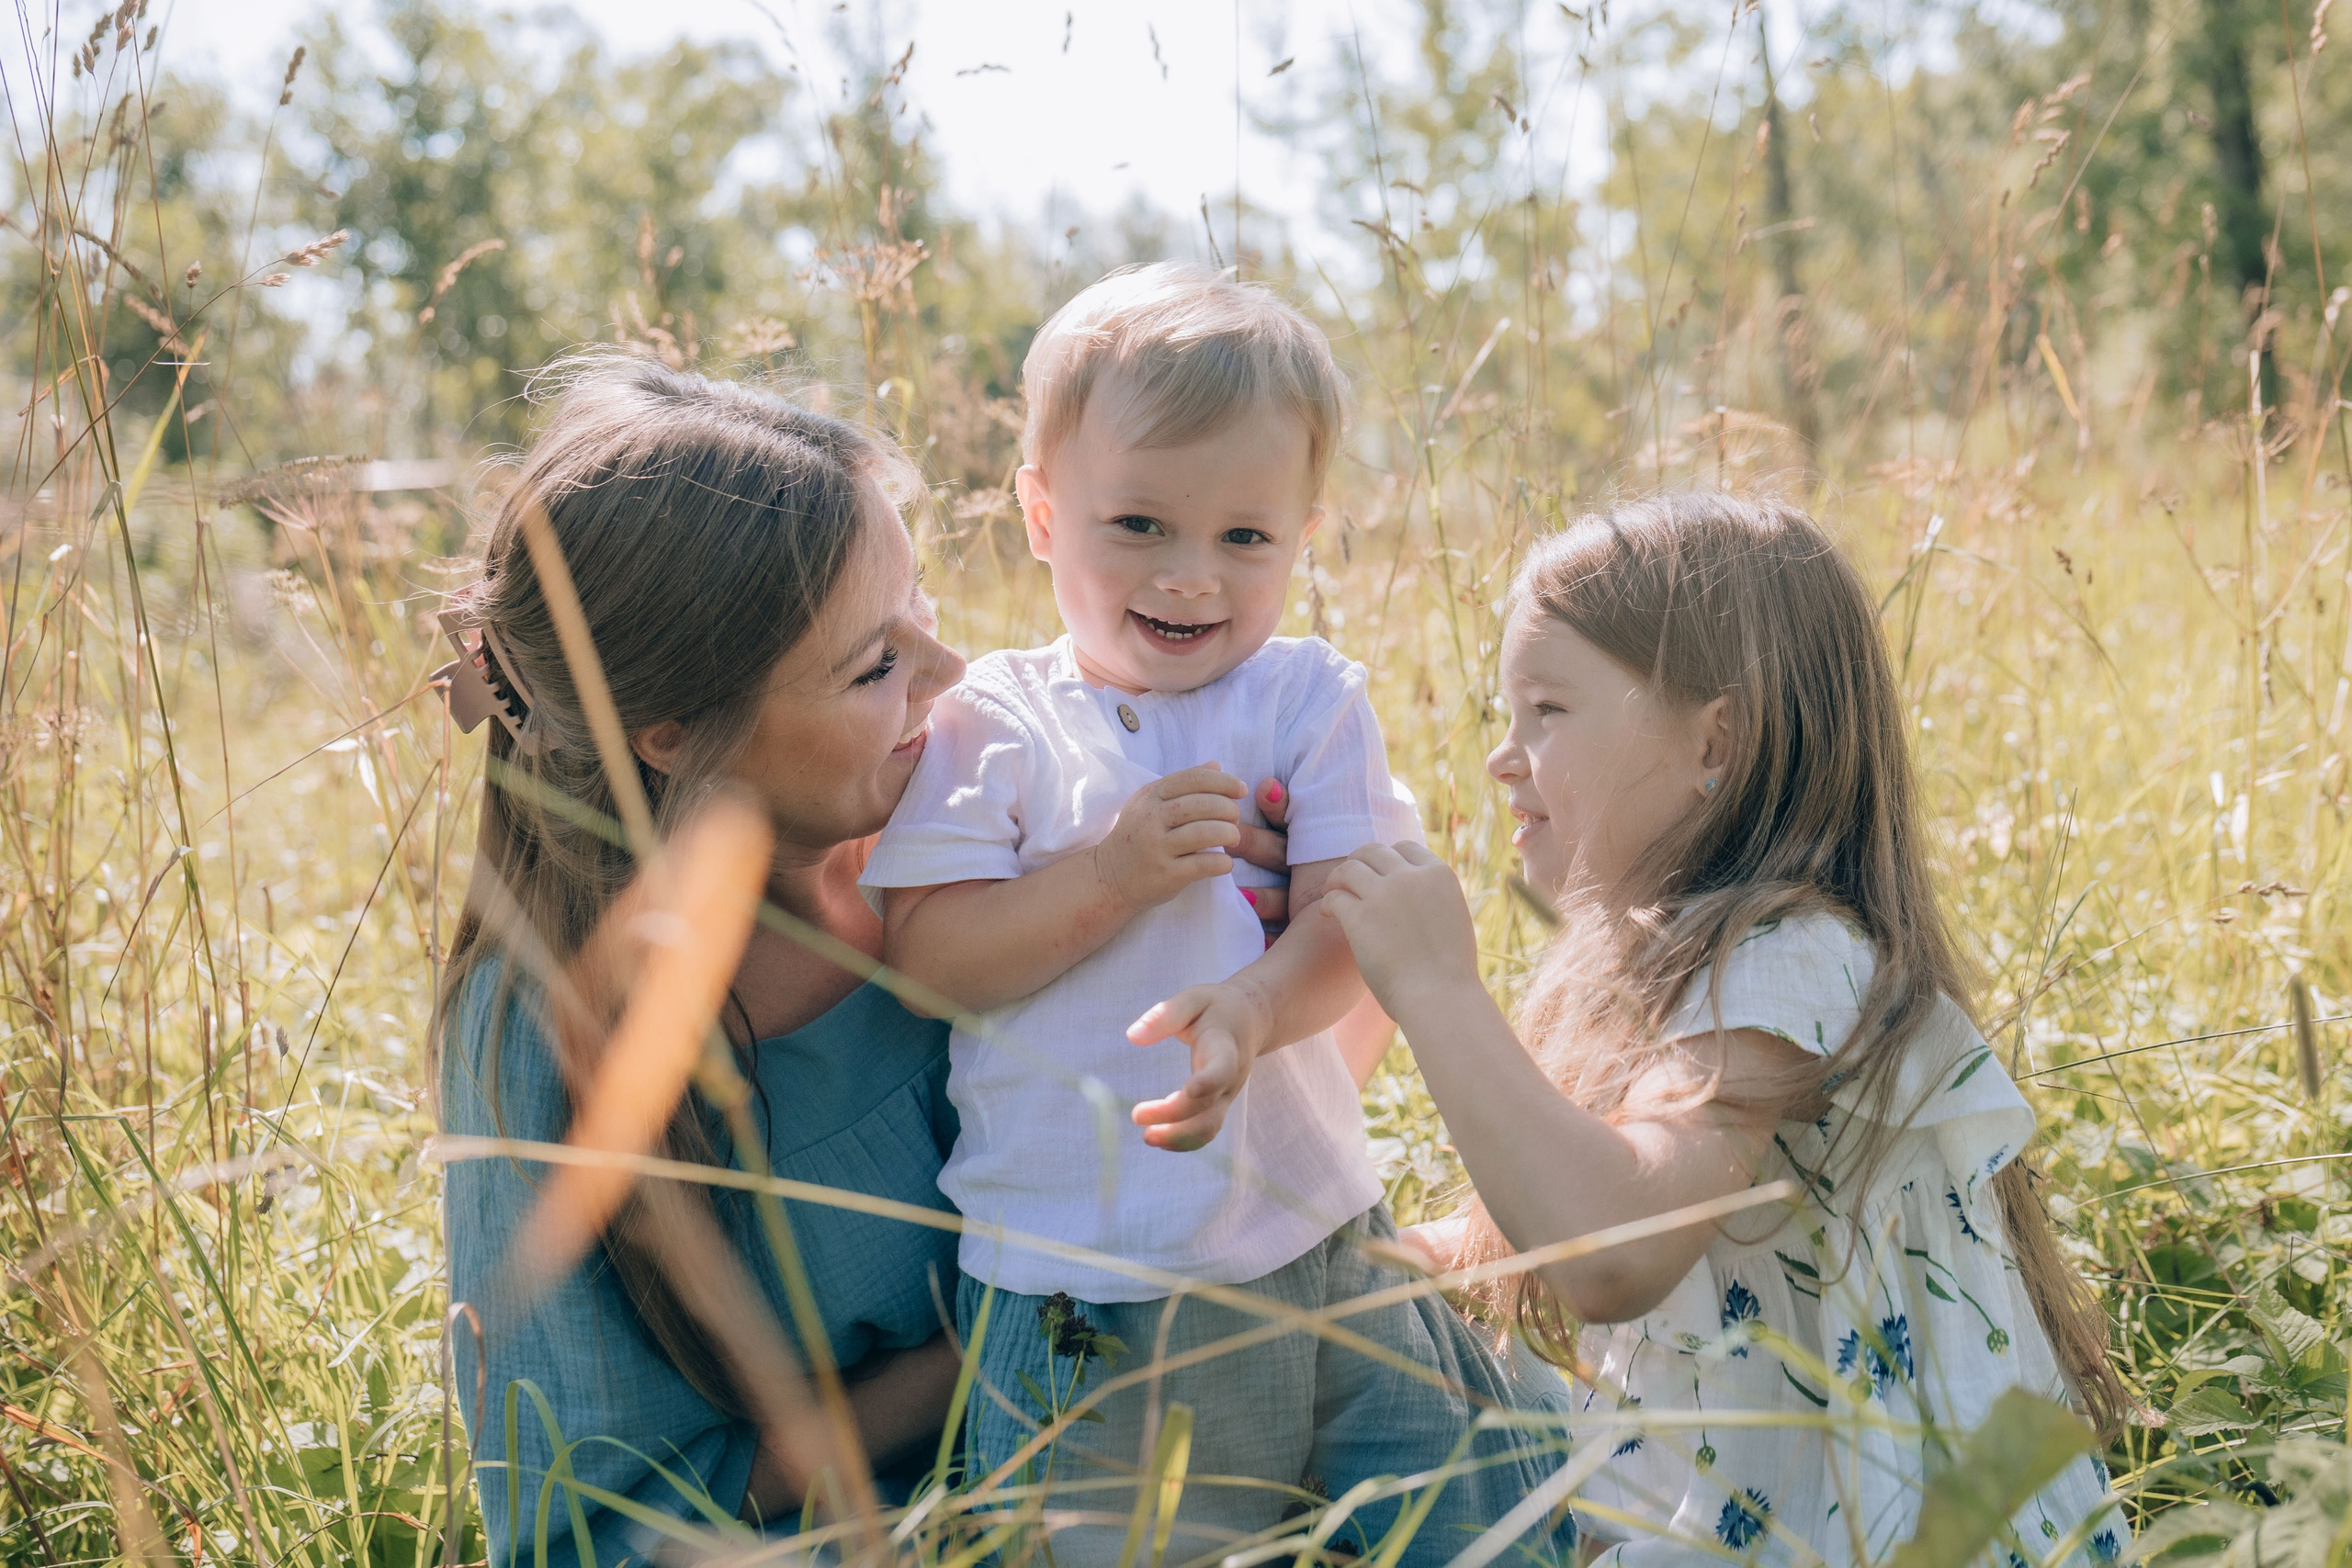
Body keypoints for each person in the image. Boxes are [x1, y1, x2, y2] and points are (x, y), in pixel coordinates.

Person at [433, 354, 1317, 1565]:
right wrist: (1037, 1327)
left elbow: (1266, 1120)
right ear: (676, 730)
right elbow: (587, 1524)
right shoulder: (544, 1030)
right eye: (872, 665)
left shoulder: (1003, 828)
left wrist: (1281, 919)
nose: (950, 676)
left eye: (925, 611)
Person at [858, 263, 1571, 1567]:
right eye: (1138, 523)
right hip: (1090, 1284)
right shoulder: (995, 722)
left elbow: (1349, 920)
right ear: (1039, 512)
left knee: (1487, 1521)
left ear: (1302, 534)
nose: (1193, 576)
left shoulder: (1305, 698)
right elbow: (930, 958)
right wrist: (1109, 879)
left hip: (1323, 1235)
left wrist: (1253, 1003)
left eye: (1245, 537)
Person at [1318, 495, 2132, 1563]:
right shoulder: (1679, 966)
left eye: (1548, 710)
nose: (1503, 759)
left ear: (1718, 741)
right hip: (1735, 1501)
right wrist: (1323, 1263)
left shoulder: (1795, 961)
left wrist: (1436, 994)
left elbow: (1614, 1257)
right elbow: (1516, 1246)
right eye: (1504, 716)